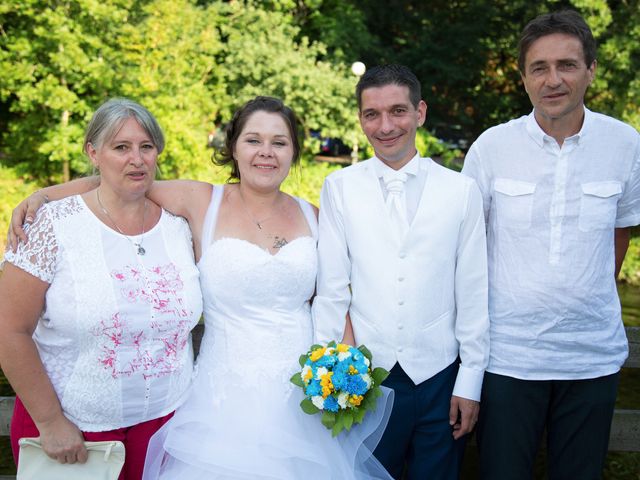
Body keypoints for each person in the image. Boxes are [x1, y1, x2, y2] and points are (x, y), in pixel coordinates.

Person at [9, 96, 394, 479]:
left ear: (293, 152)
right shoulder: (199, 201)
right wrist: (43, 197)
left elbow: (334, 298)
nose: (266, 152)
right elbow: (122, 178)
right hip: (220, 397)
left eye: (279, 142)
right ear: (233, 148)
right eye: (253, 140)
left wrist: (344, 368)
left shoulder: (314, 215)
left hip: (301, 395)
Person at [461, 10, 640, 479]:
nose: (553, 79)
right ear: (523, 78)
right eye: (539, 67)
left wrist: (581, 294)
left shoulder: (625, 144)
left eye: (567, 65)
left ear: (591, 70)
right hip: (507, 357)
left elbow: (620, 231)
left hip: (592, 356)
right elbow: (465, 246)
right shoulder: (490, 148)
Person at [0, 98, 203, 480]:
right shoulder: (50, 225)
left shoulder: (179, 226)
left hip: (168, 427)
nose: (136, 159)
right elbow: (8, 329)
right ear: (93, 152)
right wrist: (51, 422)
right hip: (73, 431)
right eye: (121, 147)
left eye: (146, 147)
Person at [312, 64, 490, 480]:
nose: (385, 125)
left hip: (441, 378)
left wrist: (470, 381)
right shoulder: (339, 187)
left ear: (420, 112)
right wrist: (328, 373)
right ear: (360, 119)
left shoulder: (461, 191)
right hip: (363, 378)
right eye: (372, 114)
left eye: (398, 111)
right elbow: (332, 289)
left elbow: (473, 291)